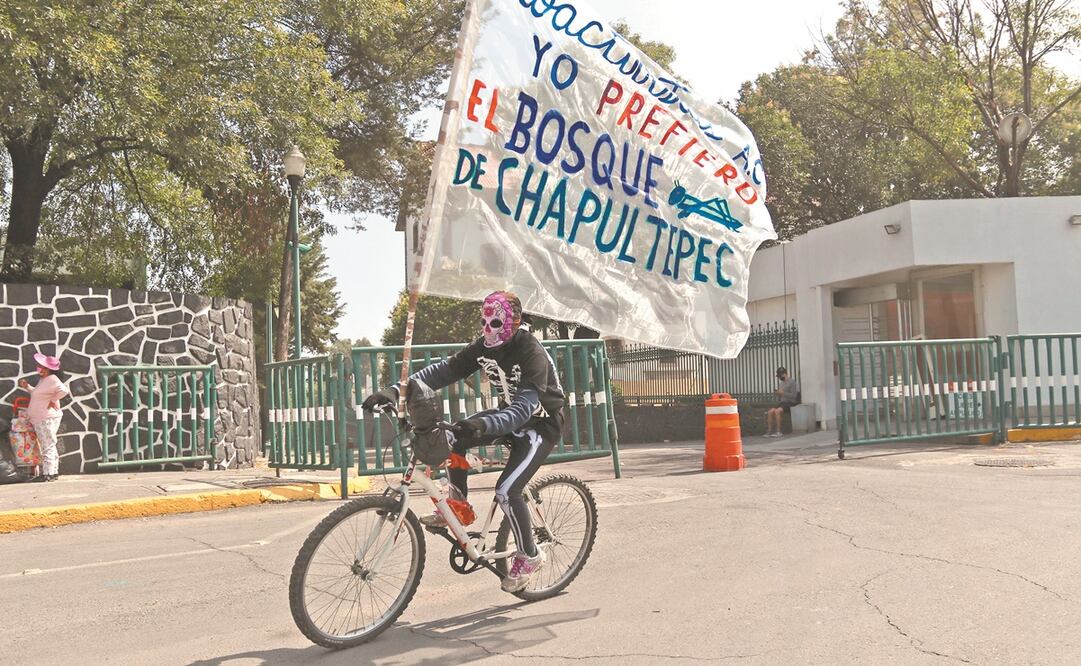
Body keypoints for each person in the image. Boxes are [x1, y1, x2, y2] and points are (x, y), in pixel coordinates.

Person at [362, 291, 565, 593]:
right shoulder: (483, 346)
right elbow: (443, 371)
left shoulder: (531, 351)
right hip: (508, 415)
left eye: (495, 323)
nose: (487, 330)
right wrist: (395, 391)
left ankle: (530, 554)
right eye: (483, 322)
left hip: (540, 424)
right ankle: (458, 507)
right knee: (454, 436)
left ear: (514, 322)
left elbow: (523, 409)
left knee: (507, 490)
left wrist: (483, 424)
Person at [18, 352, 69, 482]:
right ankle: (53, 472)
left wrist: (53, 400)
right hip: (41, 418)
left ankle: (48, 474)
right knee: (49, 444)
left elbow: (64, 390)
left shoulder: (52, 379)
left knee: (48, 445)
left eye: (42, 367)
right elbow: (37, 394)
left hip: (46, 418)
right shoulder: (44, 380)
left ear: (49, 369)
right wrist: (27, 386)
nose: (39, 368)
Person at [765, 366, 799, 438]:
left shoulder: (792, 382)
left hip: (790, 402)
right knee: (770, 411)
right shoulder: (781, 383)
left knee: (777, 411)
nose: (779, 377)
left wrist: (783, 393)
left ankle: (778, 431)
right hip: (782, 402)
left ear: (784, 374)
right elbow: (781, 395)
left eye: (780, 376)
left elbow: (794, 396)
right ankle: (769, 431)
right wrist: (778, 393)